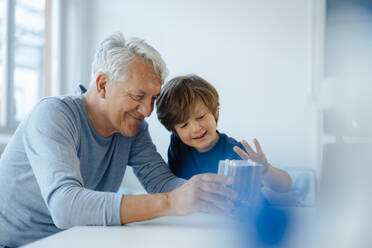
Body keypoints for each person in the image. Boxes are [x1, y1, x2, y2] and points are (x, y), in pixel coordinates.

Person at [0, 33, 237, 247]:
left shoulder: (132, 129)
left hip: (78, 238)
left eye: (153, 98)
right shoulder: (53, 115)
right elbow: (65, 206)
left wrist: (212, 194)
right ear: (103, 85)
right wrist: (170, 202)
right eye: (138, 96)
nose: (147, 111)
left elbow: (161, 182)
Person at [156, 75, 292, 195]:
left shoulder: (236, 152)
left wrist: (265, 171)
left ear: (215, 110)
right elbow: (171, 184)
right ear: (174, 130)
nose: (196, 129)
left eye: (201, 117)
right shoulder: (177, 143)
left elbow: (286, 185)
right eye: (184, 125)